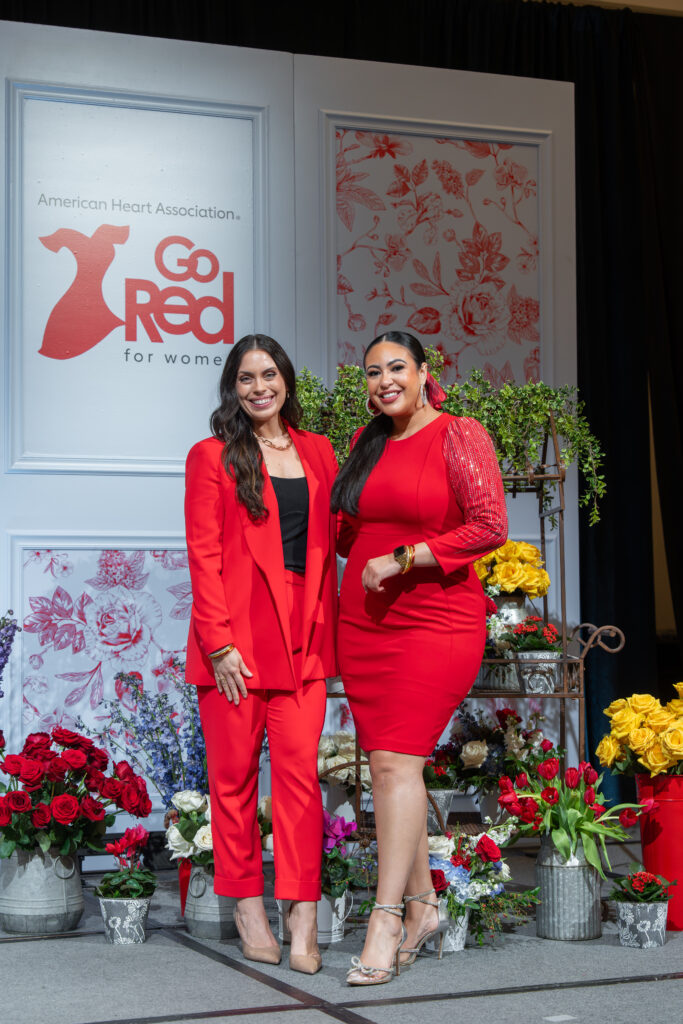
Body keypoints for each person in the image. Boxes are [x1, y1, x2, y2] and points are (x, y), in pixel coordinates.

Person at [332, 331, 507, 986]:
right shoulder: (364, 442)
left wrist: (405, 557)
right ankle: (423, 907)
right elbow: (348, 531)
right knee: (384, 769)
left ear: (423, 372)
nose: (383, 381)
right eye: (372, 372)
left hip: (434, 621)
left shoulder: (459, 434)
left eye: (395, 368)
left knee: (396, 763)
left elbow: (488, 524)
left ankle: (385, 918)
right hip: (366, 625)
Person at [184, 334, 338, 974]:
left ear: (286, 380)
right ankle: (248, 908)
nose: (258, 388)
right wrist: (218, 642)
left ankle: (301, 914)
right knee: (234, 782)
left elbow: (343, 534)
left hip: (304, 634)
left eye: (268, 374)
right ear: (233, 387)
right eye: (245, 378)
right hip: (236, 642)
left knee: (302, 781)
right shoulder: (213, 455)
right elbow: (204, 555)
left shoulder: (319, 451)